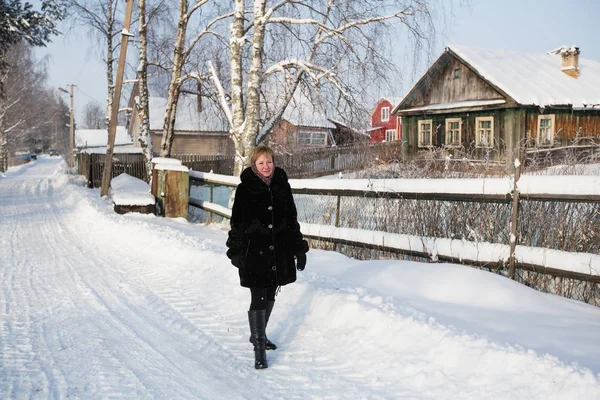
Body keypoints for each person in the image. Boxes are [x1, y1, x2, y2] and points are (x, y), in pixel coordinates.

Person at [226, 145, 309, 370]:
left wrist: (299, 248)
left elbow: (291, 220)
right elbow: (237, 223)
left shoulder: (283, 186)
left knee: (271, 292)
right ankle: (259, 351)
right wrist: (235, 251)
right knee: (258, 296)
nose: (266, 166)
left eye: (269, 162)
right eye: (261, 163)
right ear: (254, 164)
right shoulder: (245, 189)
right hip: (255, 251)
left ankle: (258, 335)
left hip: (279, 251)